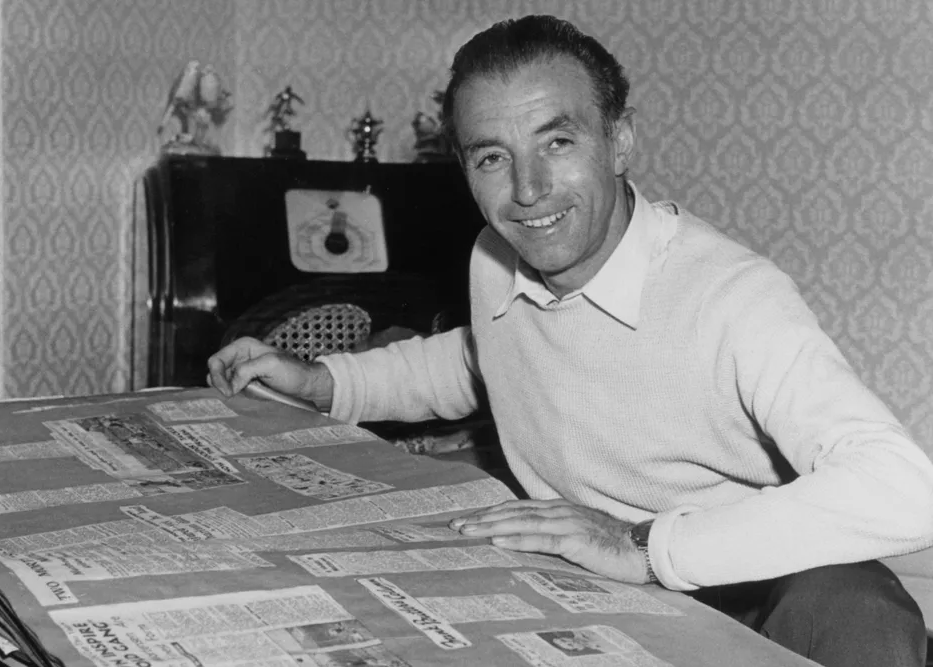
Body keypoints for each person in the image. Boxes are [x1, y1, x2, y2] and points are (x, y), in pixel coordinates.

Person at [207, 14, 933, 667]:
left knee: (864, 617)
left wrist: (645, 545)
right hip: (586, 584)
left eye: (558, 141)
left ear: (618, 142)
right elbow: (474, 359)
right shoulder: (494, 257)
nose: (528, 190)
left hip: (749, 577)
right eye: (492, 157)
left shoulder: (734, 295)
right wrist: (324, 382)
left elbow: (905, 490)